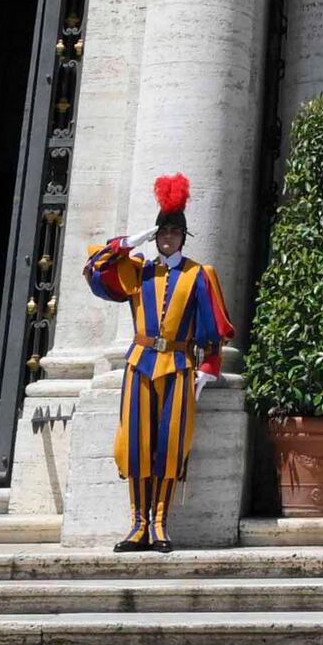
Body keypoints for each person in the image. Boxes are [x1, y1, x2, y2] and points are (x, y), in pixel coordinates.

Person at [79, 178, 227, 557]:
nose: (168, 238)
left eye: (174, 232)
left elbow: (213, 327)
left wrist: (207, 370)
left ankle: (159, 521)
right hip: (140, 363)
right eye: (163, 232)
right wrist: (133, 241)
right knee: (136, 445)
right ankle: (137, 523)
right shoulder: (137, 269)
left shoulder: (199, 274)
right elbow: (95, 268)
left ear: (183, 237)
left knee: (170, 446)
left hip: (178, 366)